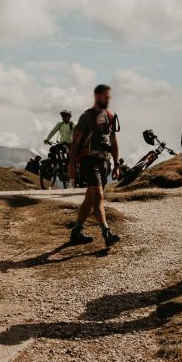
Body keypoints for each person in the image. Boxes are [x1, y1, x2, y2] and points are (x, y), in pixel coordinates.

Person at [68, 85, 122, 247]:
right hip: (89, 161)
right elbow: (75, 142)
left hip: (104, 162)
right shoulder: (86, 117)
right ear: (97, 96)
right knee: (98, 196)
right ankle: (106, 232)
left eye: (109, 97)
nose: (108, 100)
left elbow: (113, 141)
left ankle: (77, 231)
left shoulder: (110, 116)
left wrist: (116, 164)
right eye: (105, 97)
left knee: (90, 199)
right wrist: (71, 165)